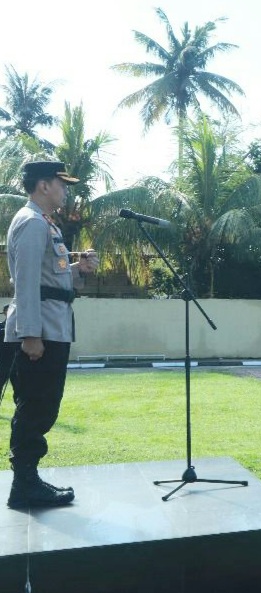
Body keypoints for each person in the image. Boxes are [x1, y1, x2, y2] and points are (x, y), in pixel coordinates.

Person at [6, 161, 99, 508]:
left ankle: (27, 480)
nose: (65, 190)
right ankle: (24, 485)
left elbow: (50, 278)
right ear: (43, 186)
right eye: (62, 184)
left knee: (43, 405)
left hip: (52, 325)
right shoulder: (31, 223)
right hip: (40, 329)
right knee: (36, 406)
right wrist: (30, 335)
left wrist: (78, 270)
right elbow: (26, 282)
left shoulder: (44, 224)